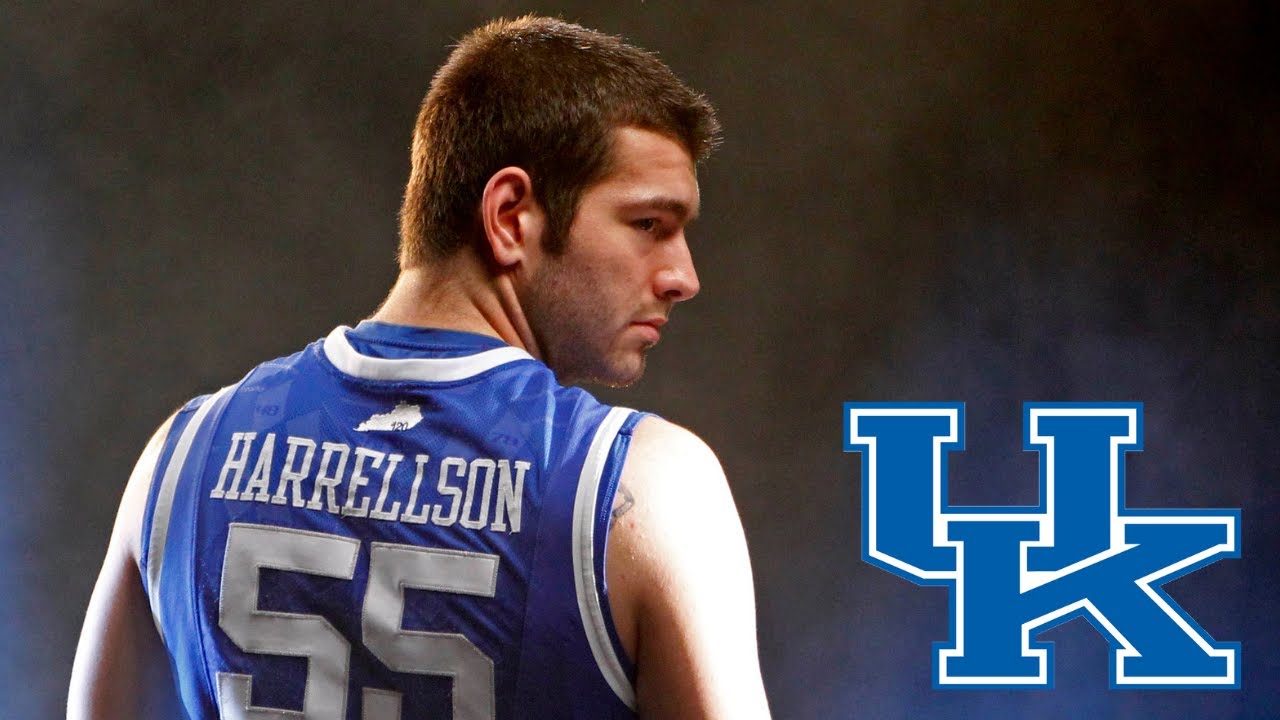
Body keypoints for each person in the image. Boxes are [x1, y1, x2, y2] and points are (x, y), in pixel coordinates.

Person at [68, 14, 770, 720]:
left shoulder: (181, 455)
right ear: (509, 217)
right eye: (649, 224)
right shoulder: (644, 488)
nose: (683, 275)